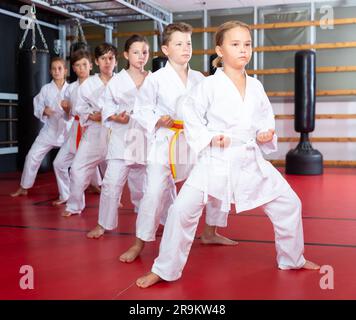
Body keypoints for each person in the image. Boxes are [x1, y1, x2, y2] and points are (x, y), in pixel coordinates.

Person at [136, 20, 320, 288]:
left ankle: (293, 258)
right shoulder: (208, 86)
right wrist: (211, 138)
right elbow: (191, 117)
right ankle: (165, 269)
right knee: (181, 212)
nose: (243, 50)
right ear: (220, 51)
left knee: (289, 204)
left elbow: (263, 120)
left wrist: (264, 134)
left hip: (248, 159)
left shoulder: (255, 86)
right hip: (215, 160)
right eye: (235, 44)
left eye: (247, 44)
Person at [120, 22, 236, 264]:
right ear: (165, 49)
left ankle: (210, 231)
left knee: (217, 181)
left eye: (189, 43)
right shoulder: (156, 79)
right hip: (165, 142)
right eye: (179, 44)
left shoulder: (200, 79)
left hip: (194, 142)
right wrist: (158, 120)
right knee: (152, 193)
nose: (186, 48)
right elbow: (141, 109)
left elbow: (210, 110)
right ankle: (139, 242)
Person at [87, 35, 161, 238]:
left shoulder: (154, 79)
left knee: (144, 185)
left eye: (144, 52)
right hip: (122, 137)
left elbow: (160, 107)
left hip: (144, 137)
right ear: (127, 55)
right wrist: (114, 116)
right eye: (136, 52)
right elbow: (107, 106)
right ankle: (103, 224)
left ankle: (148, 220)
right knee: (111, 183)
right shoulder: (117, 80)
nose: (141, 56)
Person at [62, 43, 117, 217]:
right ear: (97, 61)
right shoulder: (88, 85)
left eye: (111, 58)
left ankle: (137, 205)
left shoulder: (123, 81)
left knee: (135, 172)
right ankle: (74, 205)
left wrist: (109, 115)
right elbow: (79, 108)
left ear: (116, 60)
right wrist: (94, 116)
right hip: (94, 132)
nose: (107, 62)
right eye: (103, 58)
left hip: (118, 132)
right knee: (77, 169)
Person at [11, 57, 71, 197]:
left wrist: (68, 110)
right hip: (49, 131)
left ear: (65, 71)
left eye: (59, 68)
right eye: (54, 69)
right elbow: (37, 105)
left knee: (84, 156)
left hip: (67, 130)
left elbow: (76, 110)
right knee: (32, 156)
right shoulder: (46, 89)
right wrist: (44, 111)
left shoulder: (71, 89)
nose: (57, 71)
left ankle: (93, 184)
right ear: (50, 71)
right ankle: (24, 187)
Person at [52, 49, 102, 206]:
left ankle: (81, 200)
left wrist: (98, 115)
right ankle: (66, 194)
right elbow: (68, 114)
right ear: (73, 68)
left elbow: (104, 107)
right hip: (75, 127)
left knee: (83, 165)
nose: (81, 68)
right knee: (59, 163)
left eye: (84, 64)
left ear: (91, 66)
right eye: (77, 65)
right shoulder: (70, 88)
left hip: (93, 127)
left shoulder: (98, 84)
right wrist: (66, 108)